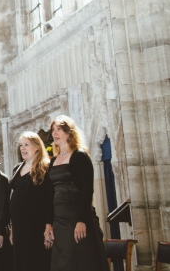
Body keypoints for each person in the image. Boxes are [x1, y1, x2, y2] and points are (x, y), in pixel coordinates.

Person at [44, 115, 106, 271]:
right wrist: (48, 224)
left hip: (76, 219)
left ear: (69, 133)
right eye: (53, 130)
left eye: (59, 129)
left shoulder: (80, 156)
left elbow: (87, 191)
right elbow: (50, 195)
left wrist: (81, 220)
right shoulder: (53, 160)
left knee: (80, 263)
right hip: (59, 221)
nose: (54, 133)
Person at [9, 132, 53, 271]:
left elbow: (50, 198)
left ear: (37, 147)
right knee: (20, 263)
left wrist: (48, 225)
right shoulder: (17, 168)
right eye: (21, 145)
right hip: (18, 225)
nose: (23, 148)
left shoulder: (46, 167)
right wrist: (12, 229)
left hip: (36, 225)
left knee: (36, 262)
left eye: (26, 145)